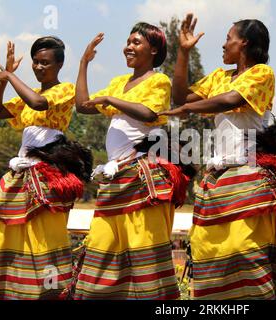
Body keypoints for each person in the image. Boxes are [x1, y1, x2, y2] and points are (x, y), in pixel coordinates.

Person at [162, 14, 276, 300]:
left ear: (244, 43)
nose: (223, 45)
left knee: (245, 248)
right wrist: (183, 53)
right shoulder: (219, 77)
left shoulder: (261, 73)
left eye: (228, 38)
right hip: (220, 177)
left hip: (250, 173)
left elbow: (231, 100)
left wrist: (189, 110)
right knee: (212, 248)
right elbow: (180, 95)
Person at [72, 23, 190, 300]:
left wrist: (111, 99)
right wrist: (83, 63)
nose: (128, 46)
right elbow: (82, 105)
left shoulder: (158, 81)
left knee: (143, 249)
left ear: (153, 49)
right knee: (102, 247)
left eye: (136, 42)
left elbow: (148, 113)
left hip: (141, 173)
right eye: (128, 41)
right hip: (115, 178)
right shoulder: (118, 82)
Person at [0, 37, 92, 300]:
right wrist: (3, 79)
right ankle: (9, 287)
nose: (38, 67)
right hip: (21, 171)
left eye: (45, 62)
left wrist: (10, 76)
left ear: (59, 64)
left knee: (43, 235)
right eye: (35, 61)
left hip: (47, 173)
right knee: (2, 230)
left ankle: (49, 292)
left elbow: (39, 104)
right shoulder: (28, 94)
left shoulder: (63, 90)